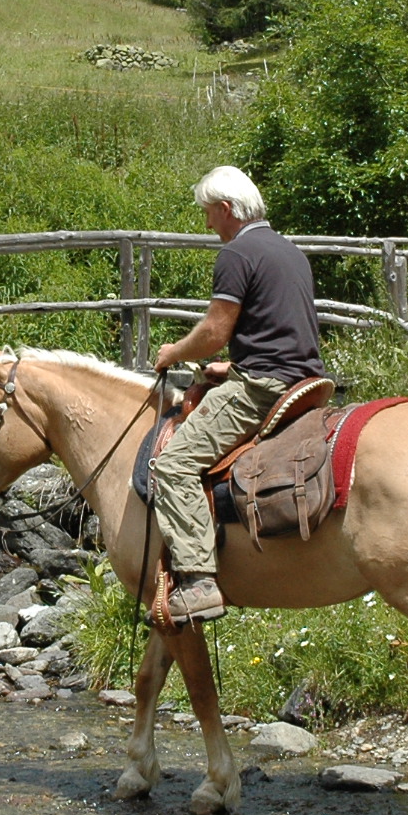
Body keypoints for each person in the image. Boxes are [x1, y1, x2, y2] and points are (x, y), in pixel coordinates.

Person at [148, 166, 326, 624]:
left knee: (171, 465)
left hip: (261, 389)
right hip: (302, 379)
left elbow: (213, 331)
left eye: (209, 214)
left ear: (226, 209)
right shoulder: (290, 252)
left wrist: (173, 351)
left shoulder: (237, 253)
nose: (208, 225)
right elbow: (279, 327)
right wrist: (232, 363)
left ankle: (198, 580)